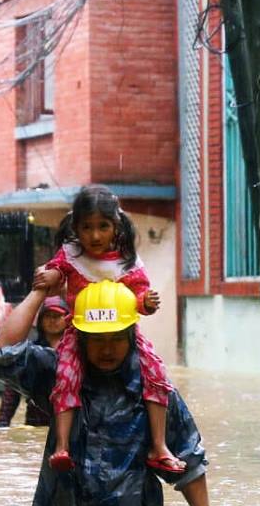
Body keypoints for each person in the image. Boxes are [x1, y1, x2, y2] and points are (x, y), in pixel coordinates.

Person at [0, 280, 232, 506]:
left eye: (116, 337)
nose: (107, 349)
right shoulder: (58, 376)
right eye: (97, 339)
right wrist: (39, 291)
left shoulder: (153, 390)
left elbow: (189, 459)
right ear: (80, 337)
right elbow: (3, 352)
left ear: (131, 335)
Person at [32, 185, 183, 476]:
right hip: (80, 333)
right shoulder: (71, 255)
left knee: (156, 374)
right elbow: (57, 271)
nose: (95, 235)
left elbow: (139, 299)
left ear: (116, 226)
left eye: (103, 226)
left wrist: (147, 303)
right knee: (65, 376)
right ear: (76, 227)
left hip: (123, 334)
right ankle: (62, 446)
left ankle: (160, 446)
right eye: (87, 227)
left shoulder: (127, 262)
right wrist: (50, 275)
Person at [0, 296, 69, 427]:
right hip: (36, 421)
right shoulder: (30, 353)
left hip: (69, 420)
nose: (53, 320)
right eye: (48, 316)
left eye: (57, 316)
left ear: (67, 319)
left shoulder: (75, 352)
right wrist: (2, 422)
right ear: (40, 321)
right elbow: (12, 390)